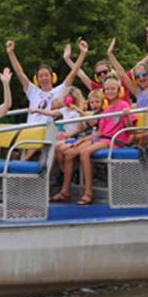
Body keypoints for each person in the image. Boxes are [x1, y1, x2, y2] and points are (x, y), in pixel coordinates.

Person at [51, 74, 133, 205]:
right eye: (107, 89)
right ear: (104, 91)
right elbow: (100, 132)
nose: (110, 91)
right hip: (102, 138)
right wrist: (81, 141)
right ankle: (65, 191)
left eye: (113, 89)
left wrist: (127, 116)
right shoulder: (107, 110)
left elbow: (129, 129)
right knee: (69, 153)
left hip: (114, 141)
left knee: (84, 153)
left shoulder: (123, 105)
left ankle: (88, 193)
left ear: (119, 90)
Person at [7, 39, 84, 125]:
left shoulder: (59, 90)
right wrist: (11, 53)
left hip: (46, 130)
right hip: (29, 130)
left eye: (46, 75)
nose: (44, 78)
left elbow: (73, 73)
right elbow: (20, 73)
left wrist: (82, 53)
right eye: (41, 76)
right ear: (36, 80)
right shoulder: (33, 91)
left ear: (52, 77)